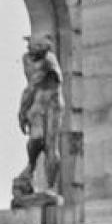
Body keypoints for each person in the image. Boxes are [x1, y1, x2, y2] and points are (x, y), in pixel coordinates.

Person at [15, 32, 65, 202]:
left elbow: (31, 86)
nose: (30, 50)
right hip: (37, 102)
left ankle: (50, 187)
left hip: (52, 104)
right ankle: (28, 173)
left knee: (50, 145)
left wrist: (21, 111)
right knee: (35, 140)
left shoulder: (49, 60)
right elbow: (31, 87)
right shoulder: (27, 58)